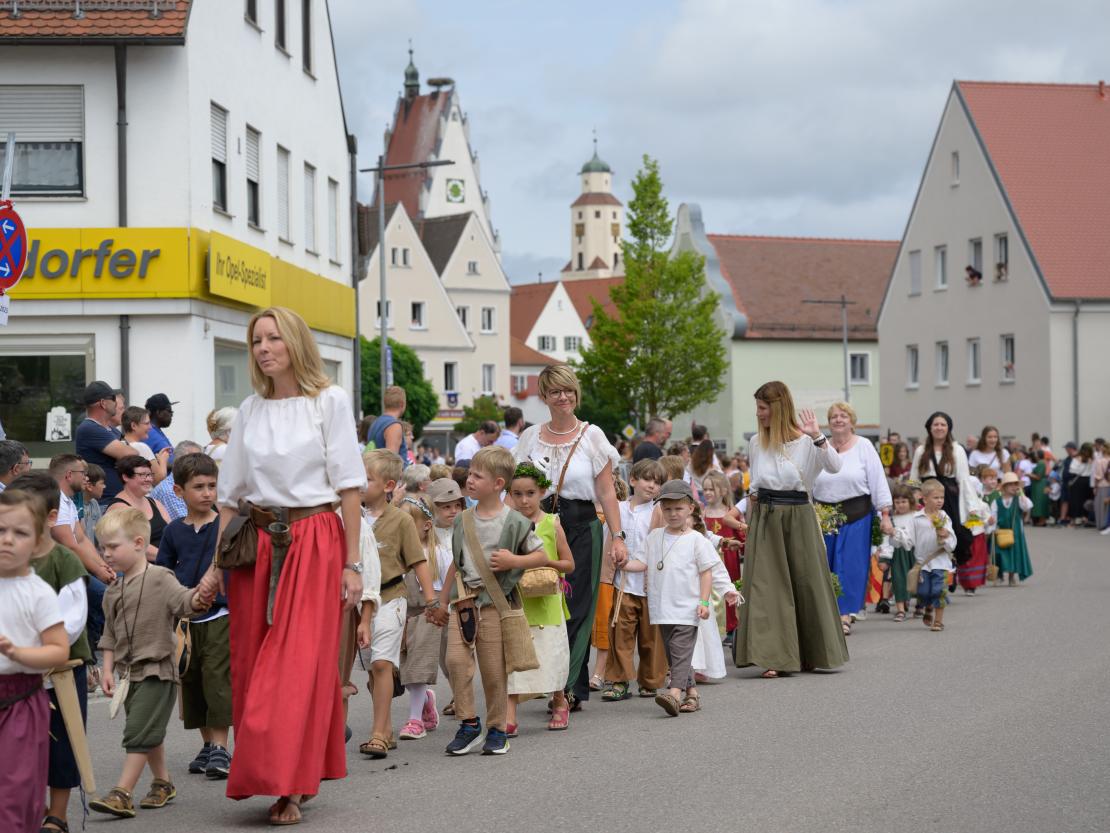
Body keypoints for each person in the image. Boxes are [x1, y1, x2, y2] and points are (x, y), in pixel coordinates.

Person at [210, 306, 366, 825]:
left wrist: (352, 564)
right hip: (255, 546)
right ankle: (279, 774)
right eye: (257, 340)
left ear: (295, 342)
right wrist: (215, 567)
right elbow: (229, 497)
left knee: (296, 667)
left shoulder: (329, 401)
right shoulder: (250, 410)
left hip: (315, 540)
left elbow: (348, 488)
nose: (264, 348)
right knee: (256, 666)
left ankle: (291, 786)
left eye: (274, 338)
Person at [89, 509, 218, 819]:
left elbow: (184, 601)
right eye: (102, 548)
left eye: (112, 547)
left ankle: (122, 793)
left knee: (137, 732)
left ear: (137, 543)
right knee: (149, 731)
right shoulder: (113, 591)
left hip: (158, 670)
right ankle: (163, 783)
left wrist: (200, 597)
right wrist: (107, 670)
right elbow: (108, 634)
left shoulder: (160, 577)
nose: (106, 554)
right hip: (128, 675)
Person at [513, 364, 626, 708]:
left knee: (577, 608)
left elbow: (607, 492)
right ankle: (548, 679)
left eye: (569, 391)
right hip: (540, 526)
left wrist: (618, 536)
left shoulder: (592, 435)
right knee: (543, 603)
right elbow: (516, 488)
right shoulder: (531, 437)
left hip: (582, 525)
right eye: (556, 391)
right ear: (544, 396)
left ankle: (569, 687)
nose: (563, 397)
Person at [431, 445, 547, 756]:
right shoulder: (462, 520)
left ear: (498, 484)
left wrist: (513, 560)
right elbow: (456, 564)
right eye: (470, 474)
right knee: (456, 661)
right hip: (463, 604)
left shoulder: (515, 522)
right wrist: (442, 602)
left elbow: (541, 555)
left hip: (496, 603)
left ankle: (497, 730)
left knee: (494, 672)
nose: (469, 480)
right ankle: (469, 724)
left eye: (477, 476)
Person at [733, 381, 848, 678]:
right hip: (766, 518)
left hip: (798, 516)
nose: (758, 414)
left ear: (778, 408)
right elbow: (756, 487)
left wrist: (819, 436)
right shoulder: (757, 443)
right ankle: (775, 656)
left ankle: (809, 653)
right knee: (769, 589)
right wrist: (741, 512)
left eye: (763, 408)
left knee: (805, 584)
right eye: (757, 408)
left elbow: (835, 467)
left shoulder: (807, 442)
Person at [7, 474, 92, 833]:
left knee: (62, 744)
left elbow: (70, 620)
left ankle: (57, 813)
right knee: (17, 751)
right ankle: (29, 805)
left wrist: (37, 651)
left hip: (59, 667)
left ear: (50, 517)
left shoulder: (64, 561)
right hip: (14, 673)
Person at [154, 453, 233, 780]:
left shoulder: (223, 526)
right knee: (193, 681)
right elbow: (163, 572)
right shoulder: (174, 531)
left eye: (212, 486)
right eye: (198, 487)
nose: (207, 493)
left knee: (217, 680)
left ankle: (220, 747)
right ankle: (206, 744)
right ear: (178, 491)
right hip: (184, 621)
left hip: (219, 616)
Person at [355, 449, 437, 759]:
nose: (360, 484)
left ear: (388, 485)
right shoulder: (352, 517)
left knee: (381, 664)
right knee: (373, 671)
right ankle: (386, 729)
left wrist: (431, 602)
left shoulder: (401, 519)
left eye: (367, 479)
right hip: (359, 604)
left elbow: (418, 562)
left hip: (391, 598)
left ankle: (377, 733)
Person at [0, 489, 69, 833]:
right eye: (0, 530)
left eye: (20, 532)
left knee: (15, 794)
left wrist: (17, 653)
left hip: (20, 700)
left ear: (39, 541)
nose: (7, 540)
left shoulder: (37, 592)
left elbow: (58, 650)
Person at [646, 480, 740, 715]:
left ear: (690, 508)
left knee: (680, 648)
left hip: (688, 607)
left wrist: (708, 599)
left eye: (678, 508)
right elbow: (642, 562)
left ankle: (675, 692)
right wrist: (623, 563)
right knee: (674, 652)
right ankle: (692, 694)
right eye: (667, 509)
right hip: (662, 607)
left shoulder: (697, 539)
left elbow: (709, 570)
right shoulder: (655, 536)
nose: (672, 513)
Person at [504, 463, 576, 733]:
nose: (524, 500)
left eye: (530, 493)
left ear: (542, 492)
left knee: (550, 654)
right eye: (517, 494)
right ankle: (509, 712)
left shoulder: (550, 523)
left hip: (547, 599)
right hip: (517, 598)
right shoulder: (507, 523)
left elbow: (569, 563)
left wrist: (549, 564)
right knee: (514, 654)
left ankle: (559, 700)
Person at [813, 402, 893, 634]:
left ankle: (845, 616)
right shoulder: (820, 446)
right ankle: (826, 615)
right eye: (834, 416)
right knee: (825, 566)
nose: (838, 420)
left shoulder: (864, 446)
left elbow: (877, 480)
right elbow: (807, 480)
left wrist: (885, 514)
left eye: (843, 416)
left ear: (852, 421)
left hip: (856, 514)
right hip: (824, 515)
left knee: (850, 566)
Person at [602, 458, 666, 702]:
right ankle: (618, 680)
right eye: (648, 479)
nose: (652, 486)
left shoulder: (658, 511)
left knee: (651, 637)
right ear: (633, 480)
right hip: (623, 583)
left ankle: (649, 681)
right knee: (620, 634)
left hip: (650, 585)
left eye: (657, 482)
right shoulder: (618, 509)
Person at [394, 494, 447, 743]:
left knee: (416, 668)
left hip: (427, 615)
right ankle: (425, 698)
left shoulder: (435, 552)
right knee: (402, 670)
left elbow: (444, 587)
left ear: (425, 525)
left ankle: (415, 719)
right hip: (400, 615)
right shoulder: (396, 553)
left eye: (408, 521)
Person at [910, 412, 977, 569]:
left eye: (943, 425)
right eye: (936, 424)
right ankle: (930, 569)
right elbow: (913, 478)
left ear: (948, 428)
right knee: (928, 535)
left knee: (951, 533)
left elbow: (964, 480)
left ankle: (949, 570)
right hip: (927, 498)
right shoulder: (921, 451)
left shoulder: (957, 450)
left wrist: (972, 506)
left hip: (949, 498)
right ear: (930, 428)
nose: (939, 428)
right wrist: (914, 496)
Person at [897, 479, 956, 633]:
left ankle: (938, 621)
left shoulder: (944, 517)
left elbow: (953, 542)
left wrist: (945, 537)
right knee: (923, 593)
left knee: (939, 591)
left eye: (941, 498)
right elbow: (908, 541)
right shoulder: (916, 518)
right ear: (924, 498)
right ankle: (928, 605)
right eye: (936, 498)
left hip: (941, 562)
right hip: (923, 563)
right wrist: (895, 534)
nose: (940, 501)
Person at [48, 454, 113, 583]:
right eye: (83, 473)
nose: (86, 477)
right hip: (62, 571)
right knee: (105, 595)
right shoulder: (56, 501)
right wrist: (98, 571)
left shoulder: (69, 502)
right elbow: (70, 546)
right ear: (69, 475)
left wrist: (103, 566)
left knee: (121, 579)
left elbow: (82, 539)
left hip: (75, 564)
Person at [701, 469, 745, 637]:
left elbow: (741, 537)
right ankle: (714, 625)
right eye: (705, 489)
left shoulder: (731, 512)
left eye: (711, 489)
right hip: (707, 561)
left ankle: (732, 626)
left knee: (728, 589)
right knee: (710, 592)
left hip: (728, 559)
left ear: (724, 491)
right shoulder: (702, 513)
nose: (707, 493)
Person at [74, 381, 131, 502]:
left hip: (119, 499)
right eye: (113, 399)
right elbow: (129, 454)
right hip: (103, 502)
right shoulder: (89, 428)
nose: (116, 403)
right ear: (103, 403)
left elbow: (133, 456)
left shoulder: (112, 431)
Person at [107, 456, 171, 558]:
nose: (149, 479)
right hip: (144, 567)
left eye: (150, 475)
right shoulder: (118, 508)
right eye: (142, 475)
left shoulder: (155, 503)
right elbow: (134, 545)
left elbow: (172, 533)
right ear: (126, 477)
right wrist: (169, 558)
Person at [881, 482, 918, 621]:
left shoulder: (916, 516)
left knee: (917, 580)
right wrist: (884, 558)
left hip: (914, 552)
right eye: (897, 502)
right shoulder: (891, 519)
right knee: (898, 580)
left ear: (910, 501)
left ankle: (920, 605)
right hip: (897, 553)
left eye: (904, 501)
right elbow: (886, 539)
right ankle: (900, 610)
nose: (901, 505)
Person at [992, 472, 1033, 585]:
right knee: (1000, 553)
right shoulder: (997, 501)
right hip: (1001, 531)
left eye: (1016, 484)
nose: (1014, 487)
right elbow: (993, 515)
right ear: (1004, 487)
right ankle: (999, 574)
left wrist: (1022, 494)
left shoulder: (1018, 500)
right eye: (1010, 484)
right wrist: (992, 527)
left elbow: (1028, 506)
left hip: (1016, 532)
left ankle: (1011, 576)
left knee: (1014, 553)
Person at [149, 441, 205, 522]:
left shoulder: (183, 484)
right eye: (196, 460)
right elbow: (188, 526)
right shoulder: (170, 491)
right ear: (181, 461)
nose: (202, 464)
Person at [121, 406, 170, 484]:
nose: (150, 427)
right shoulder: (141, 447)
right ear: (134, 426)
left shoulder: (120, 444)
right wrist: (163, 460)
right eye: (147, 423)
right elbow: (158, 478)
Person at [367, 386, 409, 460]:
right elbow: (391, 464)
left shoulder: (375, 423)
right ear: (402, 404)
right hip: (388, 471)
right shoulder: (394, 426)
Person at [1067, 443, 1095, 527]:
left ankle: (1079, 518)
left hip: (1081, 481)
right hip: (1086, 481)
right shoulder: (1091, 459)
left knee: (1078, 500)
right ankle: (1083, 518)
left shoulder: (1078, 459)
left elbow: (1072, 470)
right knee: (1083, 500)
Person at [143, 394, 178, 458]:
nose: (171, 414)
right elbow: (170, 460)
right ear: (158, 412)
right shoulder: (150, 432)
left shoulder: (155, 430)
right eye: (169, 411)